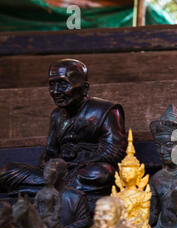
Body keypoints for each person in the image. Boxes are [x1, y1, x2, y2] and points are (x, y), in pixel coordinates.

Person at [0, 59, 127, 195]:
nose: (55, 92)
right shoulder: (56, 115)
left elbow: (114, 151)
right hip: (61, 173)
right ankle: (58, 189)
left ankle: (39, 190)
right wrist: (49, 165)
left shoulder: (106, 110)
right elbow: (50, 151)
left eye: (62, 85)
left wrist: (81, 163)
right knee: (8, 171)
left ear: (84, 88)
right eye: (52, 85)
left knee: (102, 174)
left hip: (87, 169)